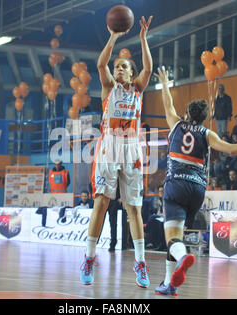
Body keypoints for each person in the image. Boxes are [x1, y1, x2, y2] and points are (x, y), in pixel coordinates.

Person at [153, 66, 237, 295]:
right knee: (177, 236)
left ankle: (183, 259)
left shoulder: (176, 124)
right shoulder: (207, 133)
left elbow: (167, 104)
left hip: (175, 186)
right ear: (204, 117)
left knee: (172, 238)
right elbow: (231, 150)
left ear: (186, 114)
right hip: (197, 189)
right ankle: (169, 284)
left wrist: (165, 83)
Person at [80, 15, 153, 288]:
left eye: (124, 66)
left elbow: (149, 66)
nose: (119, 69)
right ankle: (89, 257)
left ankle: (141, 263)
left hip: (131, 147)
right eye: (117, 66)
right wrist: (113, 36)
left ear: (131, 73)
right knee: (101, 202)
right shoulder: (109, 87)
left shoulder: (138, 89)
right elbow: (100, 63)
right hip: (109, 145)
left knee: (134, 208)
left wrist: (144, 39)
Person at [145, 186, 166, 251]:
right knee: (154, 220)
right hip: (159, 217)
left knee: (152, 218)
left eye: (162, 191)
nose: (160, 193)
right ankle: (152, 243)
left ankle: (150, 241)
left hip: (166, 217)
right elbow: (155, 210)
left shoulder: (167, 199)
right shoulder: (157, 199)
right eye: (159, 191)